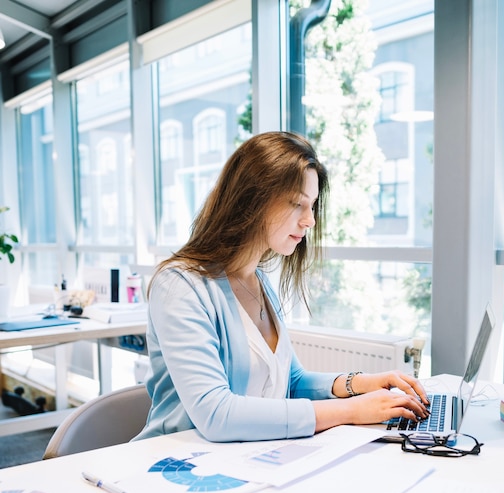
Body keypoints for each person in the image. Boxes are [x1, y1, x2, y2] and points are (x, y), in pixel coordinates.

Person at [133, 131, 430, 443]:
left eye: (312, 205)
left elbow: (290, 380)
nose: (310, 221)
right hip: (175, 467)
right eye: (297, 204)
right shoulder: (180, 286)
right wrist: (352, 410)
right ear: (251, 201)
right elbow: (216, 414)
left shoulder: (257, 280)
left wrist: (361, 383)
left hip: (240, 461)